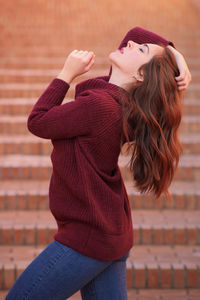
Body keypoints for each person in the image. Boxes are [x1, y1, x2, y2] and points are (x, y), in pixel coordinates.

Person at [6, 26, 191, 300]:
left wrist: (66, 74)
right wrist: (177, 56)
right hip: (110, 232)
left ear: (141, 75)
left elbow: (38, 121)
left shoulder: (101, 106)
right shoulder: (117, 101)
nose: (130, 43)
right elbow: (135, 32)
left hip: (88, 238)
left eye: (140, 49)